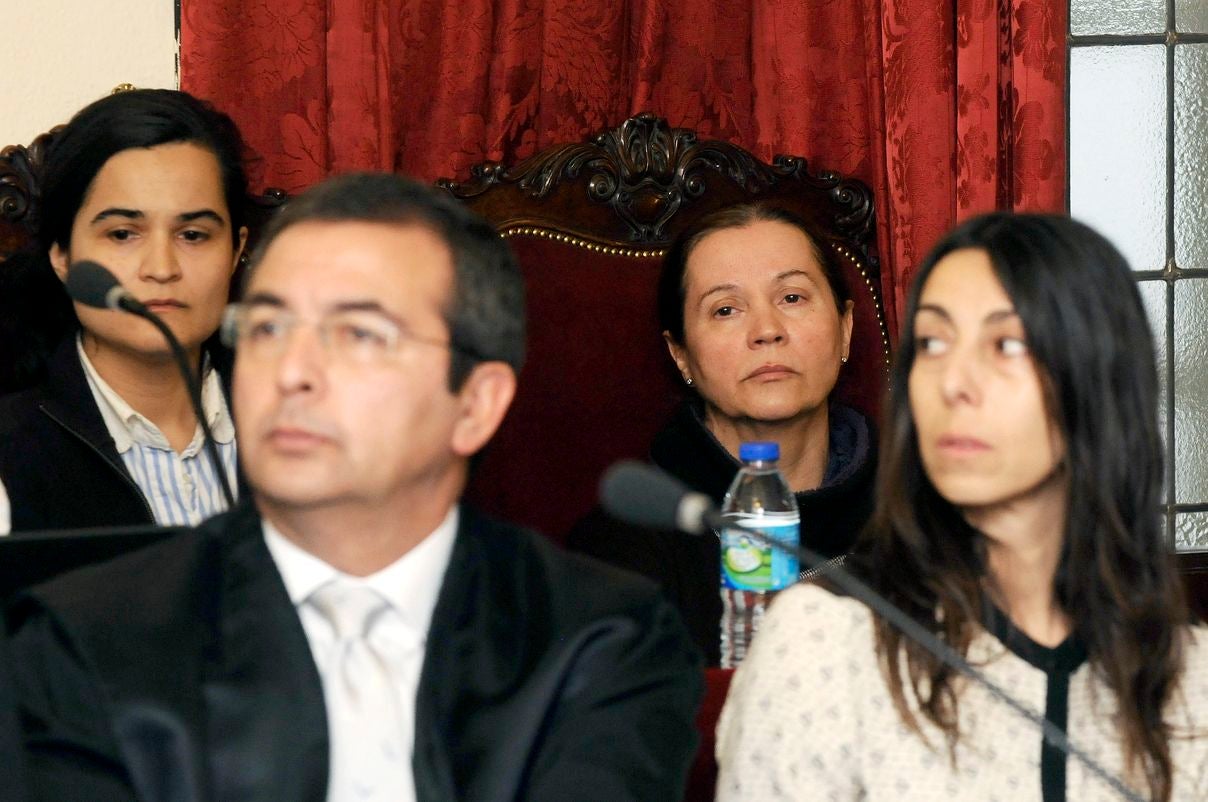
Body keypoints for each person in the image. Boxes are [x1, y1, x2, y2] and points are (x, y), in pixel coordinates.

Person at [6, 173, 703, 802]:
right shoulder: (85, 641)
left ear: (475, 405)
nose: (292, 372)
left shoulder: (600, 639)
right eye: (270, 327)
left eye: (359, 335)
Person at [716, 213, 1208, 801]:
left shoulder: (1191, 677)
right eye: (933, 343)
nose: (954, 381)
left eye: (1005, 344)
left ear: (1097, 383)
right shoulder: (825, 641)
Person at [566, 203, 877, 665]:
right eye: (726, 309)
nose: (767, 330)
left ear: (846, 328)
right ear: (682, 356)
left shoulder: (922, 513)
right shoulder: (625, 548)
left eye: (792, 298)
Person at [0, 88, 249, 533]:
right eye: (122, 234)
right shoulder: (12, 450)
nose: (161, 268)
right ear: (62, 255)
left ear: (236, 250)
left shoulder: (308, 420)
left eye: (193, 235)